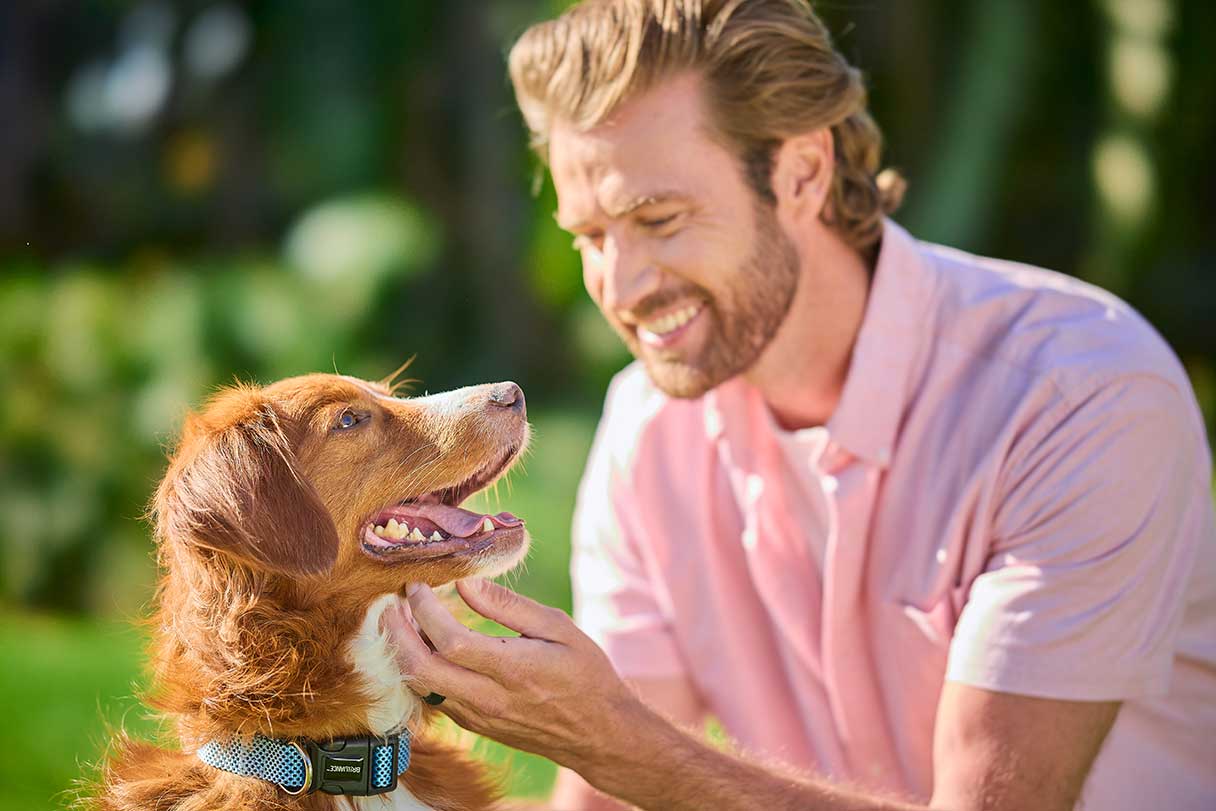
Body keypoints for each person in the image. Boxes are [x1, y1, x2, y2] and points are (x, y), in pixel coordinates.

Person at [384, 1, 1216, 809]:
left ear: (803, 173)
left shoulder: (1078, 397)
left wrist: (621, 742)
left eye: (660, 218)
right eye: (592, 237)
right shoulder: (647, 429)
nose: (623, 287)